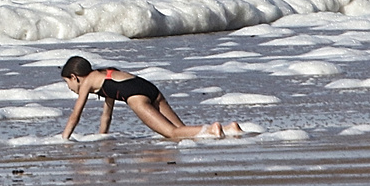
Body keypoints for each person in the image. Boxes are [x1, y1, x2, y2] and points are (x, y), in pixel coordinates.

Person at [59, 56, 241, 140]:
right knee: (182, 131)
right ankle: (228, 128)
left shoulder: (88, 81)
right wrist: (102, 138)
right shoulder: (104, 74)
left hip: (136, 96)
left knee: (170, 133)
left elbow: (76, 114)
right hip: (149, 88)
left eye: (68, 83)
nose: (70, 88)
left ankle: (211, 129)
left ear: (75, 77)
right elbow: (107, 115)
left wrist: (63, 139)